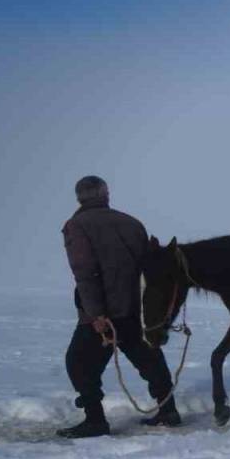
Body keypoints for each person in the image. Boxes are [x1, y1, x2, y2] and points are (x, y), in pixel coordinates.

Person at [58, 175, 180, 438]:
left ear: (79, 197)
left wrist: (96, 314)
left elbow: (85, 272)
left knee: (78, 363)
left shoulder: (77, 226)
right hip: (135, 309)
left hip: (105, 314)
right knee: (149, 359)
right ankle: (168, 410)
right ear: (106, 195)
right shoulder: (132, 223)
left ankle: (95, 421)